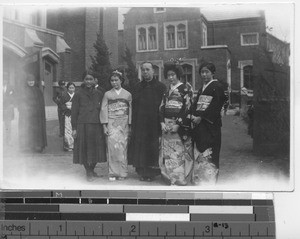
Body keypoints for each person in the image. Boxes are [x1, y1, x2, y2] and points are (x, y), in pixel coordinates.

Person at [129, 62, 166, 182]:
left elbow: (163, 106)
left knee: (152, 147)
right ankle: (141, 171)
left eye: (147, 69)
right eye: (143, 70)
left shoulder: (161, 87)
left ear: (153, 71)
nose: (145, 72)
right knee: (140, 147)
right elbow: (133, 106)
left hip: (154, 123)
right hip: (139, 122)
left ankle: (152, 172)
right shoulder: (137, 87)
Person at [191, 62, 226, 185]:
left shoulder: (217, 86)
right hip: (201, 126)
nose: (204, 74)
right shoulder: (202, 88)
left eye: (207, 72)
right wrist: (194, 114)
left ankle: (210, 181)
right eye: (202, 72)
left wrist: (201, 117)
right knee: (200, 151)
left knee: (210, 152)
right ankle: (201, 179)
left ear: (213, 73)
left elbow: (216, 106)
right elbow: (196, 104)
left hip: (211, 126)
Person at [159, 62, 194, 186]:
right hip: (167, 123)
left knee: (180, 151)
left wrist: (178, 123)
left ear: (178, 74)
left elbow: (187, 107)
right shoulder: (167, 90)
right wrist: (162, 122)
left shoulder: (186, 88)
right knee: (169, 152)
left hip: (179, 125)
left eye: (173, 75)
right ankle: (171, 177)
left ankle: (181, 177)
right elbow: (162, 107)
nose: (171, 77)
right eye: (168, 75)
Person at [71, 72, 106, 182]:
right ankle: (88, 172)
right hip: (83, 124)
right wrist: (74, 128)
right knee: (84, 149)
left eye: (91, 79)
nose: (89, 81)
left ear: (95, 80)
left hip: (96, 124)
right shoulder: (78, 94)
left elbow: (103, 109)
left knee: (97, 149)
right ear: (83, 80)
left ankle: (92, 170)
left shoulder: (99, 93)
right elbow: (74, 111)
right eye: (86, 79)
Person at [100, 70, 132, 181]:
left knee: (123, 148)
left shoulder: (127, 94)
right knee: (112, 148)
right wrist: (104, 126)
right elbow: (104, 109)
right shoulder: (107, 94)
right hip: (112, 123)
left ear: (121, 80)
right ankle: (113, 173)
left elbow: (130, 110)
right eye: (112, 80)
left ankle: (122, 173)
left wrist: (130, 124)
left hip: (123, 122)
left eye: (116, 80)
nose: (114, 82)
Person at [18, 73, 47, 153]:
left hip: (37, 115)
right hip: (27, 115)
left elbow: (41, 103)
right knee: (28, 130)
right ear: (27, 81)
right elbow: (20, 102)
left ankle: (37, 146)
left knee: (37, 130)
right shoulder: (23, 91)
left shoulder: (38, 91)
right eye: (29, 81)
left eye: (32, 81)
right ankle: (27, 146)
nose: (31, 82)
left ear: (34, 81)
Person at [61, 82, 76, 151]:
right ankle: (68, 146)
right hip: (67, 114)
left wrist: (73, 107)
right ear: (67, 89)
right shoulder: (64, 96)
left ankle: (75, 145)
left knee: (74, 129)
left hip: (75, 114)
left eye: (73, 87)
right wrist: (66, 107)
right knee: (67, 130)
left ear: (75, 88)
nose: (71, 89)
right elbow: (61, 105)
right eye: (70, 88)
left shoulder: (77, 95)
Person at [3, 72, 15, 146]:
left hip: (7, 108)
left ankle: (8, 141)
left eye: (5, 79)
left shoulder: (10, 87)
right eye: (3, 79)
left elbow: (14, 97)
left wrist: (11, 104)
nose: (4, 81)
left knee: (8, 126)